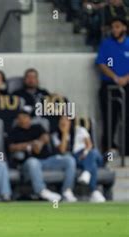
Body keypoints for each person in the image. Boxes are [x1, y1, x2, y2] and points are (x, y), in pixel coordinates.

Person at [7, 110, 78, 202]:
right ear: (17, 120)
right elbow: (11, 148)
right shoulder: (14, 131)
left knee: (69, 160)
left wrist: (39, 143)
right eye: (20, 118)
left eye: (25, 117)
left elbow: (46, 137)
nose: (23, 119)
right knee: (33, 162)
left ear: (29, 118)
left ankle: (66, 191)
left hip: (47, 160)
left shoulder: (37, 127)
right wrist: (31, 144)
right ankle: (41, 191)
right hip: (28, 163)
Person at [52, 116, 106, 202]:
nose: (63, 122)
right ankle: (94, 191)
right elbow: (62, 150)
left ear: (71, 121)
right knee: (93, 164)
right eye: (61, 120)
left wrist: (85, 153)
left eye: (66, 119)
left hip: (87, 153)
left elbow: (89, 145)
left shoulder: (80, 130)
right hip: (77, 158)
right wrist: (65, 133)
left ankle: (87, 172)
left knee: (93, 152)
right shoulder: (56, 135)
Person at [95, 16, 129, 154]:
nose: (114, 30)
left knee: (127, 118)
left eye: (117, 27)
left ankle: (127, 150)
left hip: (127, 86)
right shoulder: (106, 44)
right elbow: (101, 63)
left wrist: (126, 78)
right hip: (109, 85)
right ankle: (109, 149)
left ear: (124, 28)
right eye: (113, 27)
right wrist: (115, 77)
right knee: (110, 118)